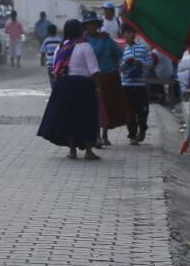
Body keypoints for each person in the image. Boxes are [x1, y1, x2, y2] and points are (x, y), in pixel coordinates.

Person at [37, 18, 100, 160]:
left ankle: (72, 151)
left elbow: (55, 69)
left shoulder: (60, 48)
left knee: (69, 118)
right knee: (87, 117)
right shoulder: (85, 47)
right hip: (83, 86)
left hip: (63, 85)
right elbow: (94, 71)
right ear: (79, 31)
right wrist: (98, 87)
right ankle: (89, 151)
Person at [84, 12, 129, 146]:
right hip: (92, 78)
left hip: (109, 75)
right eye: (88, 24)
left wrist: (112, 64)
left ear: (97, 25)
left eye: (93, 24)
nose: (91, 26)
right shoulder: (84, 40)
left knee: (107, 105)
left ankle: (104, 135)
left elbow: (119, 53)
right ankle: (96, 135)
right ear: (85, 27)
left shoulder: (106, 39)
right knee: (95, 107)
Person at [120, 24, 154, 144]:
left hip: (140, 85)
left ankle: (143, 128)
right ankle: (132, 135)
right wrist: (126, 63)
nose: (129, 35)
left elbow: (150, 63)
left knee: (143, 110)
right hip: (127, 85)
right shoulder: (122, 50)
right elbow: (119, 68)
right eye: (127, 32)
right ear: (123, 35)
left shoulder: (143, 48)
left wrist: (140, 63)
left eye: (131, 32)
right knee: (129, 111)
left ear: (135, 33)